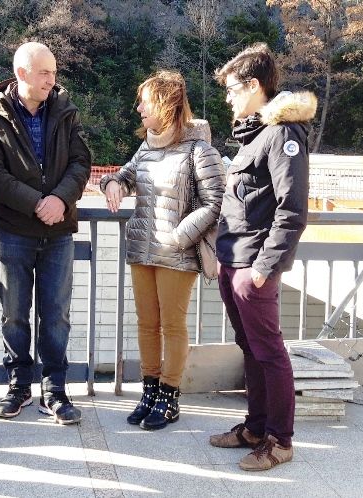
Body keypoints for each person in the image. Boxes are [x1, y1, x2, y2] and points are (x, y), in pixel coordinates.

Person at [208, 43, 315, 471]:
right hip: (232, 260)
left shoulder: (283, 134)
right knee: (249, 348)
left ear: (254, 85)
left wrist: (262, 268)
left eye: (233, 89)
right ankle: (255, 427)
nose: (228, 97)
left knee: (269, 351)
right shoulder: (255, 133)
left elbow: (292, 211)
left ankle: (280, 441)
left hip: (253, 266)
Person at [0, 42, 91, 425]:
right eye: (44, 73)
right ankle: (19, 383)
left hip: (58, 229)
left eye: (54, 73)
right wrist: (36, 202)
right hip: (14, 229)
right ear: (22, 73)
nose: (51, 80)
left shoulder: (65, 110)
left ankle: (55, 388)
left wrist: (59, 199)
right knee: (14, 314)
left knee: (56, 315)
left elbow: (80, 161)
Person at [100, 71, 224, 431]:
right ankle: (149, 391)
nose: (139, 108)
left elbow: (216, 202)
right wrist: (112, 184)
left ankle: (169, 397)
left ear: (167, 105)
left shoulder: (199, 150)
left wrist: (179, 236)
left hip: (177, 253)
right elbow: (125, 175)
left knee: (172, 325)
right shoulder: (147, 147)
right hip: (142, 248)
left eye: (145, 102)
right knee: (147, 325)